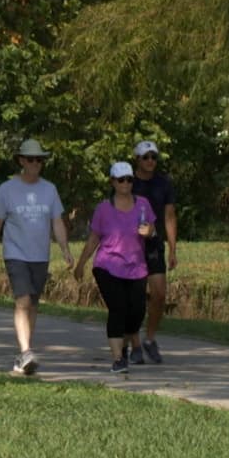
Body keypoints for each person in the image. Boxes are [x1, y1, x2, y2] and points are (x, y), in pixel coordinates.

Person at [0, 138, 74, 375]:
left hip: (40, 256)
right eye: (31, 159)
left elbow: (57, 221)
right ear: (22, 161)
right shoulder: (7, 189)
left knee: (32, 304)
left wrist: (64, 249)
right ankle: (26, 352)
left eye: (40, 160)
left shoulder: (49, 189)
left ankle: (24, 354)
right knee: (22, 301)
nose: (36, 163)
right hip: (16, 254)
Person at [74, 162, 155, 374]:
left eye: (129, 179)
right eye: (121, 180)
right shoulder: (103, 209)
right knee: (118, 308)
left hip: (136, 267)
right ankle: (118, 359)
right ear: (112, 182)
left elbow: (152, 229)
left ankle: (127, 343)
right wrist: (81, 263)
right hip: (107, 265)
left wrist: (150, 232)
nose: (126, 184)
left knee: (136, 312)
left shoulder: (143, 204)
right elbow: (93, 239)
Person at [128, 140, 178, 365]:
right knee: (133, 298)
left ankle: (149, 339)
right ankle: (134, 344)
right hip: (130, 246)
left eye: (153, 157)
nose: (150, 161)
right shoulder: (127, 181)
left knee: (158, 294)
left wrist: (173, 249)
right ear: (137, 159)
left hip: (154, 244)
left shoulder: (164, 183)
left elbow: (169, 216)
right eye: (146, 157)